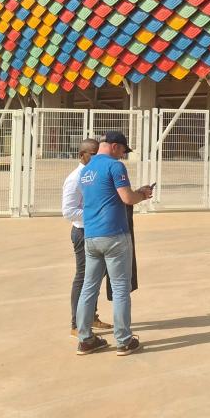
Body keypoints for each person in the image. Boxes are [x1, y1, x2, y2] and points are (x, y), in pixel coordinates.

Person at [74, 131, 152, 356]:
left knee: (89, 288)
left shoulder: (86, 170)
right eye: (123, 152)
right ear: (115, 147)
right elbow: (127, 198)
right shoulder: (114, 167)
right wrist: (142, 194)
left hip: (91, 236)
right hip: (115, 235)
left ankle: (85, 339)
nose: (123, 157)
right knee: (120, 289)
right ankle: (124, 340)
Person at [62, 138, 113, 337]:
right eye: (92, 154)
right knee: (83, 277)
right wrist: (96, 213)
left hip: (98, 231)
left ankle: (90, 316)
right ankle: (76, 323)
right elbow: (68, 211)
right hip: (83, 232)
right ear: (81, 155)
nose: (96, 157)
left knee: (96, 276)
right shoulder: (75, 178)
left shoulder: (94, 175)